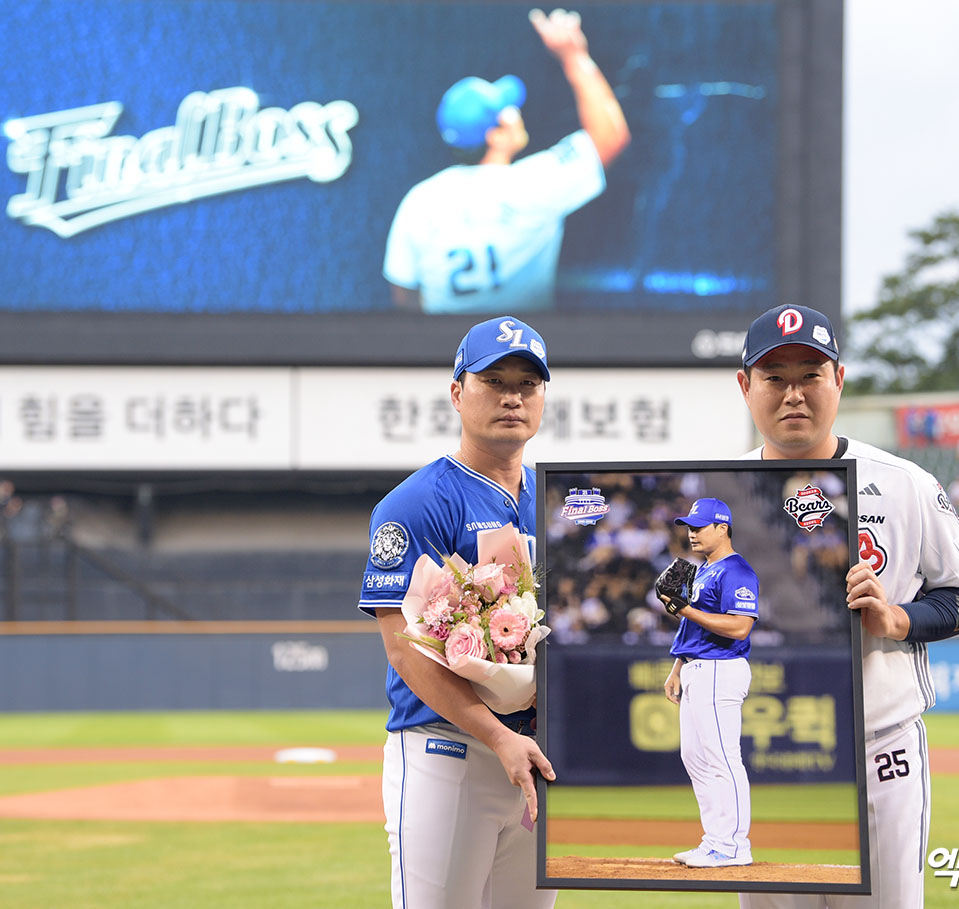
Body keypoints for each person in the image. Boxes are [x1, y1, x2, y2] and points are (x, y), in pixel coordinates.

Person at [733, 305, 959, 909]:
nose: (793, 394)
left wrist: (899, 619)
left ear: (839, 380)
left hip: (881, 749)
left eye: (810, 375)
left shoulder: (903, 482)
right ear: (745, 386)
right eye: (774, 378)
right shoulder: (718, 489)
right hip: (767, 749)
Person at [357, 315, 557, 908]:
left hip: (538, 754)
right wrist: (497, 736)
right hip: (446, 750)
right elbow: (403, 649)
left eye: (528, 383)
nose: (513, 396)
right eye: (494, 381)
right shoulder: (416, 503)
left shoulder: (555, 499)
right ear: (457, 392)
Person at [383, 8, 630, 314]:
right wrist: (573, 55)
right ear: (495, 136)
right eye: (506, 111)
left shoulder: (419, 200)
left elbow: (404, 296)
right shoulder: (531, 184)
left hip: (452, 343)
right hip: (522, 341)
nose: (516, 113)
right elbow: (610, 137)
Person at [661, 497, 759, 868]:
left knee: (721, 758)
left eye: (700, 527)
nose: (692, 533)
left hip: (721, 668)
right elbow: (693, 626)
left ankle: (733, 845)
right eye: (689, 527)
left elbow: (740, 627)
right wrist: (678, 666)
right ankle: (715, 840)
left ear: (722, 528)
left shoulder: (737, 570)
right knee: (696, 758)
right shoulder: (703, 570)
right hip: (697, 668)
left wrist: (684, 608)